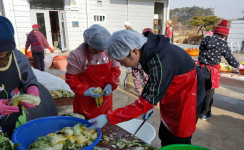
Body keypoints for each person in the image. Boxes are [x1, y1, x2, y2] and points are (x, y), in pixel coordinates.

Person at [88, 29, 205, 147]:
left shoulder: (161, 63)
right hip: (171, 88)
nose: (123, 66)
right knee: (165, 131)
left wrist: (109, 117)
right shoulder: (147, 49)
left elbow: (144, 102)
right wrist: (150, 97)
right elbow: (155, 81)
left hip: (188, 94)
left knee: (178, 137)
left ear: (133, 51)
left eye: (122, 61)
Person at [0, 16, 57, 137]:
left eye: (5, 49)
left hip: (16, 118)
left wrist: (32, 89)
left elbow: (29, 79)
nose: (2, 53)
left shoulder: (18, 57)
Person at [65, 24, 121, 120]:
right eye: (95, 49)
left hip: (105, 99)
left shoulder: (109, 51)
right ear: (88, 43)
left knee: (104, 125)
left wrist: (111, 84)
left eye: (102, 49)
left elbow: (115, 70)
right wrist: (85, 90)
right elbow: (71, 78)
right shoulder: (77, 56)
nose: (99, 52)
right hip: (84, 100)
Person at [197, 20, 244, 120]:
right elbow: (230, 59)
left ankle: (196, 112)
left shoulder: (205, 40)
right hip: (211, 73)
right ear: (224, 35)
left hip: (199, 70)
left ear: (214, 33)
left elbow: (200, 51)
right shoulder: (223, 44)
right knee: (208, 94)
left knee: (199, 92)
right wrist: (240, 67)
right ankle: (205, 114)